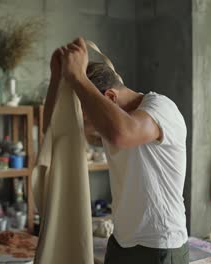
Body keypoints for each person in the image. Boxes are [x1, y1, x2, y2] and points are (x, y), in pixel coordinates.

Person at [43, 37, 189, 264]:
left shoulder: (161, 108)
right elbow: (55, 132)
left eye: (87, 116)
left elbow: (123, 134)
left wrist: (80, 78)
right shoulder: (110, 122)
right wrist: (56, 78)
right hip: (121, 243)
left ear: (110, 97)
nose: (87, 122)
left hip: (159, 246)